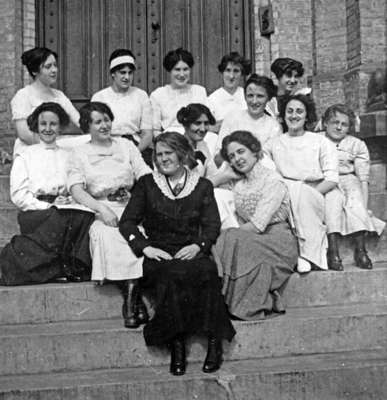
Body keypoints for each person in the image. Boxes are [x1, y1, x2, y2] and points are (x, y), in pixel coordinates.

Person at [119, 132, 235, 376]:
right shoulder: (147, 185)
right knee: (170, 274)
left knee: (206, 270)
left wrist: (199, 246)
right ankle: (177, 344)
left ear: (182, 154)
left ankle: (214, 344)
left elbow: (212, 224)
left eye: (168, 153)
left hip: (190, 250)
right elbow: (127, 222)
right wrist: (145, 247)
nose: (163, 159)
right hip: (159, 252)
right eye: (159, 154)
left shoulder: (202, 185)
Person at [67, 102, 151, 328]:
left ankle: (131, 300)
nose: (104, 125)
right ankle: (133, 300)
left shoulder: (126, 146)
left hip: (131, 206)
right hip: (101, 208)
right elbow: (76, 189)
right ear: (87, 126)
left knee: (139, 235)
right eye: (97, 121)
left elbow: (145, 176)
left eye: (106, 119)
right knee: (108, 236)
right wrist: (101, 209)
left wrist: (142, 204)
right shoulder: (79, 153)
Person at [0, 102, 94, 285]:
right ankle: (14, 259)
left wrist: (70, 198)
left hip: (66, 208)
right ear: (36, 125)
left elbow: (77, 184)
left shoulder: (69, 155)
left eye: (53, 124)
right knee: (61, 218)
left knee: (84, 217)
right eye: (44, 124)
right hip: (36, 211)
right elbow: (19, 196)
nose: (48, 129)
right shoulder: (25, 155)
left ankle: (62, 267)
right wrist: (48, 206)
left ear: (60, 126)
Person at [211, 131, 297, 320]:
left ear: (254, 151)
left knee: (227, 236)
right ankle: (220, 301)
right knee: (228, 237)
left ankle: (228, 302)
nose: (237, 159)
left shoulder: (273, 180)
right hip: (251, 240)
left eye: (241, 152)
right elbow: (203, 190)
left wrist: (225, 235)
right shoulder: (238, 183)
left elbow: (258, 225)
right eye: (232, 156)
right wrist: (223, 176)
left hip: (277, 242)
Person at [267, 95, 339, 273]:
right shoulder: (273, 144)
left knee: (305, 196)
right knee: (297, 193)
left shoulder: (321, 141)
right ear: (283, 116)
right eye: (289, 111)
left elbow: (331, 177)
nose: (294, 116)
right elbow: (271, 175)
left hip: (319, 189)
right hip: (287, 191)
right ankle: (306, 255)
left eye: (299, 111)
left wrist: (309, 193)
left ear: (307, 116)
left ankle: (308, 255)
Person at [322, 104, 385, 270]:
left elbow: (363, 178)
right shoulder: (317, 140)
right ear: (325, 123)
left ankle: (360, 249)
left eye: (344, 124)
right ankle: (333, 250)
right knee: (331, 202)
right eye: (335, 122)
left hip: (348, 179)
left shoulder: (356, 144)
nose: (339, 127)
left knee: (355, 201)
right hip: (326, 180)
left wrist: (364, 207)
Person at [10, 47, 82, 155]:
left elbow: (79, 120)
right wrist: (51, 147)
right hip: (31, 150)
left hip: (55, 147)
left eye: (55, 65)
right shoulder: (23, 95)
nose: (54, 70)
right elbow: (24, 134)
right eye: (48, 67)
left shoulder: (59, 95)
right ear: (34, 71)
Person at [91, 49, 153, 165]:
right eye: (122, 72)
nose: (127, 77)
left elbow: (147, 134)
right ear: (113, 73)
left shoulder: (141, 95)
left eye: (130, 73)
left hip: (135, 146)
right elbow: (94, 131)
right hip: (107, 145)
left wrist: (134, 153)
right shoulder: (100, 97)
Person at [214, 74, 282, 167]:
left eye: (260, 96)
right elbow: (218, 155)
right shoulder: (232, 118)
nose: (254, 101)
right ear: (245, 96)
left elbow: (270, 159)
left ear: (268, 98)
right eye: (250, 96)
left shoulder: (274, 126)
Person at [150, 48, 208, 136]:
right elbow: (155, 130)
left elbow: (206, 122)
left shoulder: (199, 91)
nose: (182, 74)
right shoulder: (158, 95)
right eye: (177, 69)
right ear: (170, 70)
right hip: (170, 140)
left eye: (185, 69)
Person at [266, 57, 317, 131]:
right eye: (288, 76)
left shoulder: (302, 98)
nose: (293, 80)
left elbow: (311, 125)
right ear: (278, 77)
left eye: (296, 76)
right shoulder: (270, 101)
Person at [208, 52, 251, 133]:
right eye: (228, 70)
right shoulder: (212, 99)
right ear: (222, 72)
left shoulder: (248, 96)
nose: (231, 76)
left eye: (236, 71)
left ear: (242, 74)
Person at [177, 103, 218, 178]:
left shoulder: (202, 145)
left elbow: (213, 173)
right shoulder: (177, 147)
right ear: (186, 125)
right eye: (197, 123)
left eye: (206, 123)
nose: (203, 129)